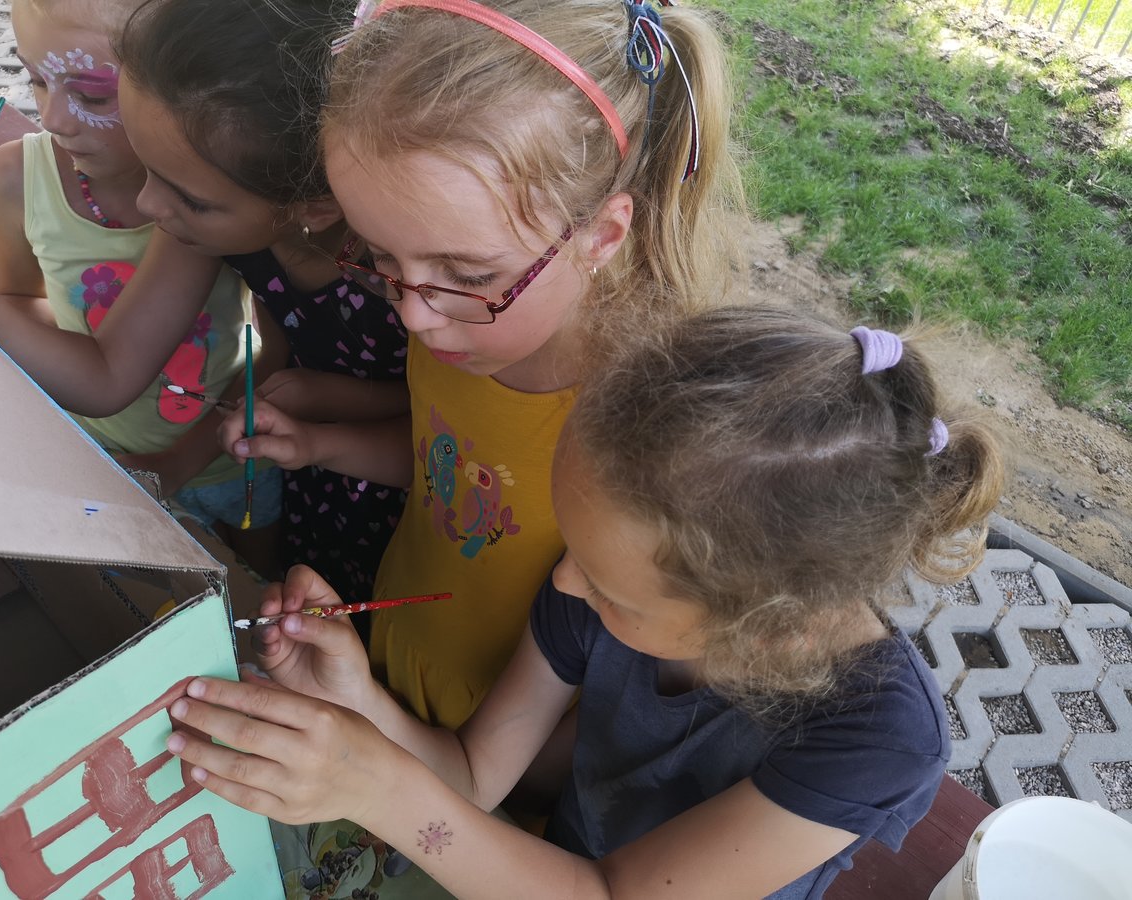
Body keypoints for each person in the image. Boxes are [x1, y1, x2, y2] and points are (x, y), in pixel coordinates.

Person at [165, 306, 1006, 899]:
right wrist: (359, 702)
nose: (564, 585)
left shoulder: (879, 736)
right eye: (577, 556)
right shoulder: (605, 578)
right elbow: (474, 778)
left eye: (604, 587)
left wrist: (376, 788)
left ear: (762, 627)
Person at [223, 0, 746, 732]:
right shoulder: (457, 320)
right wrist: (320, 445)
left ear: (600, 236)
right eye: (380, 255)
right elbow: (451, 466)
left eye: (466, 274)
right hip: (398, 647)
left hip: (506, 729)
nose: (411, 315)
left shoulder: (638, 422)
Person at [0, 0, 285, 571]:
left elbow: (116, 376)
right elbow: (26, 300)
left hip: (226, 455)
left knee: (257, 577)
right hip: (102, 455)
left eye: (93, 96)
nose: (53, 118)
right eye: (35, 79)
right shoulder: (16, 175)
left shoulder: (195, 203)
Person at [114, 0, 410, 606]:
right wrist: (176, 462)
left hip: (407, 487)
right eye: (144, 167)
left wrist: (327, 396)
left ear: (315, 207)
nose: (147, 205)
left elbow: (447, 418)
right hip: (311, 474)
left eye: (192, 200)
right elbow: (278, 346)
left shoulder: (404, 275)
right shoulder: (255, 237)